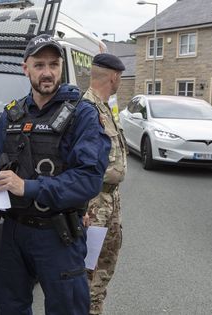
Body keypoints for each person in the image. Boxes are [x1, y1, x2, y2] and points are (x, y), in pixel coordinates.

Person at [0, 34, 111, 315]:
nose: (47, 72)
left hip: (58, 234)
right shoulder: (11, 115)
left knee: (67, 308)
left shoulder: (83, 114)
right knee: (9, 305)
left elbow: (88, 179)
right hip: (14, 232)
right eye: (39, 65)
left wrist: (28, 187)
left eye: (53, 64)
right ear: (25, 68)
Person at [83, 53, 127, 315]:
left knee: (106, 262)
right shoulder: (86, 110)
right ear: (114, 76)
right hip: (94, 202)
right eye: (120, 77)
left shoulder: (104, 107)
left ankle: (94, 309)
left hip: (110, 199)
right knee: (89, 268)